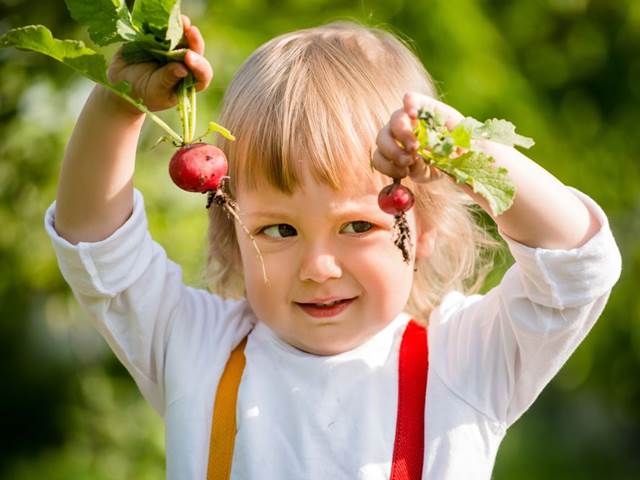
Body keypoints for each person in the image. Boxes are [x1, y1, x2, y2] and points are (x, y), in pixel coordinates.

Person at [44, 16, 622, 480]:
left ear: (423, 228)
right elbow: (97, 247)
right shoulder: (198, 351)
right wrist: (120, 103)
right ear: (231, 232)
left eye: (356, 227)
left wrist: (459, 147)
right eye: (279, 231)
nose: (318, 268)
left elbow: (577, 265)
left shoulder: (463, 362)